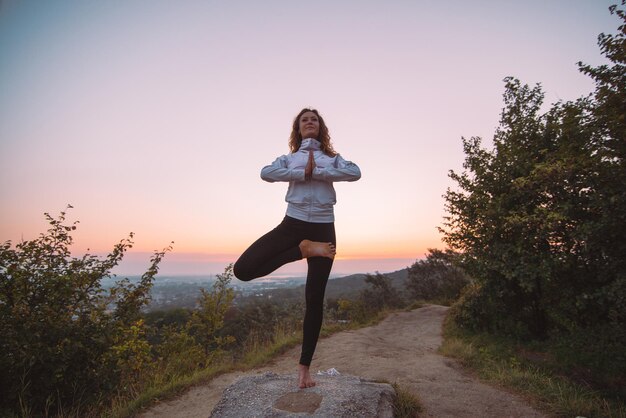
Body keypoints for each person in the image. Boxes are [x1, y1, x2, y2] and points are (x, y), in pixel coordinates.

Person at [233, 108, 361, 389]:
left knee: (314, 299)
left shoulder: (332, 158)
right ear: (298, 129)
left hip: (324, 227)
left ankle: (304, 369)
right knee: (242, 270)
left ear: (321, 126)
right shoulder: (289, 158)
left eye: (314, 119)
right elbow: (266, 173)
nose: (310, 122)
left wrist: (322, 170)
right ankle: (302, 250)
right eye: (305, 120)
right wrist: (302, 172)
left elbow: (355, 172)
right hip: (293, 223)